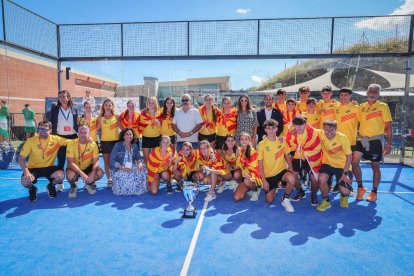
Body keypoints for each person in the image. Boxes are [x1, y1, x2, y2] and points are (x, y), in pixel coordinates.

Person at [353, 84, 393, 202]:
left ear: (378, 94)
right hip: (362, 139)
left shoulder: (383, 106)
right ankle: (360, 188)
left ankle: (374, 192)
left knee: (375, 166)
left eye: (375, 91)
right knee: (354, 162)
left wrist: (389, 144)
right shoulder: (362, 106)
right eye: (370, 91)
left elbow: (388, 126)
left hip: (376, 140)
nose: (372, 93)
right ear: (367, 92)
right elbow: (356, 119)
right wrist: (354, 105)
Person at [18, 121, 67, 201]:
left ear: (50, 130)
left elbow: (72, 142)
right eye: (40, 129)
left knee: (60, 175)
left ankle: (51, 186)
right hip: (33, 168)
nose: (42, 132)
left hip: (49, 167)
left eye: (45, 130)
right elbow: (21, 159)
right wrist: (26, 172)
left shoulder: (57, 139)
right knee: (25, 182)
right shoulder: (30, 141)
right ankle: (32, 189)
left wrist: (87, 138)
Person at [257, 119, 296, 212]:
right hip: (269, 175)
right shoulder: (261, 144)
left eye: (273, 128)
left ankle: (285, 199)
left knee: (292, 178)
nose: (271, 130)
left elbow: (287, 155)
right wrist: (264, 180)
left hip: (281, 171)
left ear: (276, 129)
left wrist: (291, 168)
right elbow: (260, 164)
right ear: (265, 130)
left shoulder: (282, 140)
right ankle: (276, 185)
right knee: (269, 201)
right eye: (268, 128)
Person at [286, 115, 322, 206]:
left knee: (314, 178)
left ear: (305, 124)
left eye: (301, 124)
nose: (299, 127)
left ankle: (313, 195)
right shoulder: (291, 133)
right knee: (291, 176)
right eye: (296, 125)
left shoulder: (315, 132)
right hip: (298, 156)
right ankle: (300, 191)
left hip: (311, 156)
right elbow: (288, 144)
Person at [316, 119, 353, 211]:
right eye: (326, 130)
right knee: (321, 178)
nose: (329, 132)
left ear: (336, 129)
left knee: (344, 190)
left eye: (332, 129)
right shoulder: (320, 134)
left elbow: (349, 156)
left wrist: (345, 174)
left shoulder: (342, 137)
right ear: (323, 129)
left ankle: (344, 196)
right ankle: (326, 201)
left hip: (342, 166)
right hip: (328, 163)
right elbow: (306, 127)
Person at [49, 90, 78, 192]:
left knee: (73, 161)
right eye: (60, 96)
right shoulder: (55, 109)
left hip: (73, 137)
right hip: (60, 137)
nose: (62, 98)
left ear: (68, 97)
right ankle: (60, 182)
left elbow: (77, 122)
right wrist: (52, 137)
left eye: (64, 96)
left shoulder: (74, 109)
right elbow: (51, 123)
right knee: (61, 161)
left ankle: (73, 181)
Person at [66, 125, 104, 198]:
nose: (83, 135)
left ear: (89, 134)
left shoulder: (93, 145)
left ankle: (88, 183)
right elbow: (70, 163)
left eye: (85, 133)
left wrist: (93, 173)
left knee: (100, 173)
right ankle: (73, 186)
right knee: (70, 176)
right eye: (81, 132)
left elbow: (96, 161)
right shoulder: (71, 144)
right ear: (77, 134)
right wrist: (82, 174)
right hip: (75, 168)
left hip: (88, 167)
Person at [335, 87, 360, 194]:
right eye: (341, 95)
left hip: (350, 142)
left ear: (350, 96)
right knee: (338, 164)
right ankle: (338, 184)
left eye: (346, 95)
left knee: (349, 165)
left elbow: (361, 122)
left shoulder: (355, 108)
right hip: (337, 142)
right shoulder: (335, 107)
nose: (343, 97)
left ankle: (349, 185)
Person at [110, 128, 148, 196]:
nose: (129, 136)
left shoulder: (134, 145)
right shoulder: (117, 145)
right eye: (126, 134)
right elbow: (112, 160)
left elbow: (138, 157)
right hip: (119, 168)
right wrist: (122, 167)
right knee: (128, 176)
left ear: (133, 136)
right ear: (123, 136)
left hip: (131, 166)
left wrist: (139, 163)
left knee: (142, 170)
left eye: (130, 134)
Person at [233, 132, 262, 202]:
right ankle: (248, 188)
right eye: (242, 139)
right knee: (236, 198)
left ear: (249, 140)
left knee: (247, 180)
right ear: (239, 141)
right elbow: (238, 165)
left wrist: (250, 176)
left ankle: (255, 190)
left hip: (253, 176)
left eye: (246, 139)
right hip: (244, 176)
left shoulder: (252, 151)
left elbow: (255, 168)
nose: (244, 141)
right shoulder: (240, 150)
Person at [98, 98, 120, 188]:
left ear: (112, 107)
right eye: (106, 105)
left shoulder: (117, 117)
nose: (107, 107)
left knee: (115, 162)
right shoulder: (100, 119)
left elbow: (123, 129)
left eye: (109, 105)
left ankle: (117, 178)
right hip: (105, 143)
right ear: (103, 106)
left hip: (115, 142)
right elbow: (94, 130)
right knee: (107, 162)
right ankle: (109, 179)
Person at [138, 96, 161, 165]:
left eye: (153, 103)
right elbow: (140, 123)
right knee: (146, 158)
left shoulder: (159, 113)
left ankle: (154, 173)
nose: (151, 104)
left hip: (156, 138)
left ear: (155, 104)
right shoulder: (143, 113)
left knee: (155, 157)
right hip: (146, 137)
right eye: (150, 103)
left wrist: (157, 121)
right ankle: (147, 173)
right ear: (147, 104)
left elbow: (161, 126)